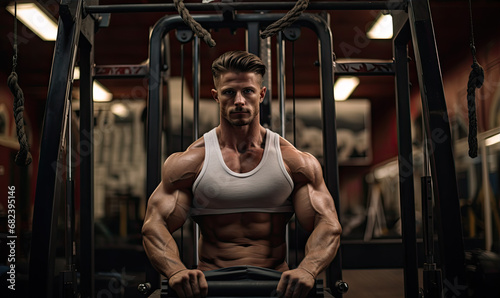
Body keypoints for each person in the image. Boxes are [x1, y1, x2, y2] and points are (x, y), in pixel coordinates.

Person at [142, 50, 342, 298]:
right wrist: (175, 271)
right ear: (216, 96)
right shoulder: (191, 162)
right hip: (210, 285)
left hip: (277, 285)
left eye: (247, 91)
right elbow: (154, 225)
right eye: (229, 92)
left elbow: (328, 224)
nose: (239, 100)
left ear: (262, 94)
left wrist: (308, 271)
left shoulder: (293, 161)